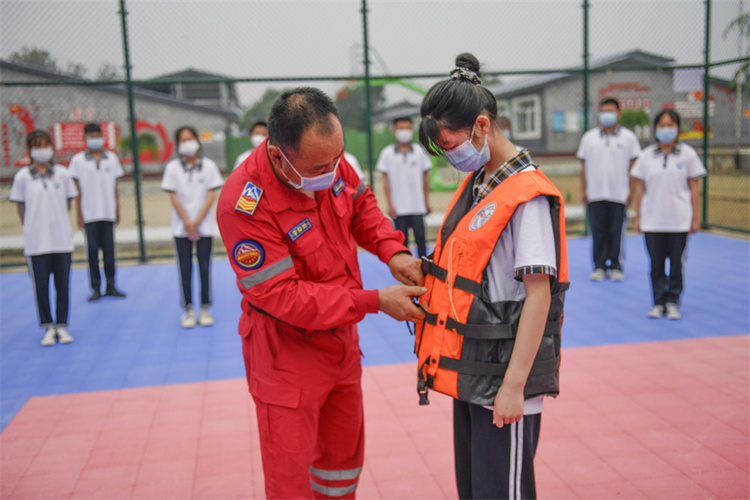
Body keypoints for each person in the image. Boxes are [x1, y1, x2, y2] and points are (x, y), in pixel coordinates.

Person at [216, 87, 426, 499]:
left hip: (341, 347)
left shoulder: (331, 161)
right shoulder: (244, 206)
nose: (334, 170)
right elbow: (283, 296)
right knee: (291, 482)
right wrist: (374, 301)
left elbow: (363, 206)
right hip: (286, 360)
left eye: (338, 157)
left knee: (340, 470)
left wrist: (394, 252)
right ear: (278, 155)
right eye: (319, 165)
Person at [415, 53, 569, 500]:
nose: (450, 157)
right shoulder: (482, 183)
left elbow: (539, 297)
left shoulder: (528, 197)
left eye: (451, 144)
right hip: (474, 374)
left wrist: (514, 388)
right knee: (477, 490)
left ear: (481, 126)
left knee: (504, 492)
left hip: (505, 380)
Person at [631, 109, 706, 320]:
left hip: (679, 220)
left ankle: (673, 301)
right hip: (653, 221)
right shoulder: (646, 156)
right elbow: (640, 189)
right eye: (662, 125)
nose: (666, 130)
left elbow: (694, 188)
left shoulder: (688, 154)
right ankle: (658, 301)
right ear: (655, 129)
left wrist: (695, 218)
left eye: (670, 125)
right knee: (655, 264)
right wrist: (638, 217)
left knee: (676, 263)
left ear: (678, 128)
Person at [10, 130, 78, 346]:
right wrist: (33, 227)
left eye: (45, 144)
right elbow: (21, 208)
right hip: (36, 243)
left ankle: (62, 325)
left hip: (61, 241)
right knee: (41, 287)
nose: (42, 149)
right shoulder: (22, 177)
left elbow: (68, 203)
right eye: (37, 146)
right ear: (30, 150)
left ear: (52, 147)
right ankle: (47, 326)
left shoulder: (63, 174)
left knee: (62, 285)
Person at [161, 126, 224, 328]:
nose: (187, 143)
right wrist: (188, 223)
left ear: (197, 140)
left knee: (205, 267)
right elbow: (173, 196)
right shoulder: (172, 168)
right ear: (178, 144)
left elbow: (211, 196)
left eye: (190, 139)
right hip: (182, 228)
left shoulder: (208, 166)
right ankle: (188, 309)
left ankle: (205, 307)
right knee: (185, 268)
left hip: (203, 226)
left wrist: (196, 222)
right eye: (183, 140)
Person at [577, 97, 641, 282]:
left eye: (611, 111)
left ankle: (616, 265)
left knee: (616, 231)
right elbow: (583, 166)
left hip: (619, 194)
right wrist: (584, 190)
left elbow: (634, 167)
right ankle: (599, 265)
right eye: (603, 110)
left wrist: (631, 190)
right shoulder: (589, 138)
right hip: (595, 193)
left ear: (619, 113)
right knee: (597, 231)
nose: (607, 114)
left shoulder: (629, 138)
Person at [68, 123, 126, 301]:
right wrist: (79, 213)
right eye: (91, 135)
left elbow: (115, 186)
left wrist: (117, 208)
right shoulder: (78, 161)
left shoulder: (111, 158)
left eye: (97, 134)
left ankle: (111, 285)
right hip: (90, 213)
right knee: (92, 253)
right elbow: (77, 190)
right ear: (85, 138)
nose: (95, 138)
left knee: (109, 252)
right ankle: (95, 287)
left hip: (107, 212)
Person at [376, 116, 432, 258]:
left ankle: (424, 270)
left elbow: (426, 179)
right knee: (402, 242)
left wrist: (426, 201)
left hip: (417, 206)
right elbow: (386, 182)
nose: (404, 131)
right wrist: (390, 204)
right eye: (401, 128)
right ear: (395, 130)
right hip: (399, 208)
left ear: (412, 130)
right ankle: (407, 272)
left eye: (407, 128)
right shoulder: (386, 154)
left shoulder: (421, 152)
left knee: (421, 239)